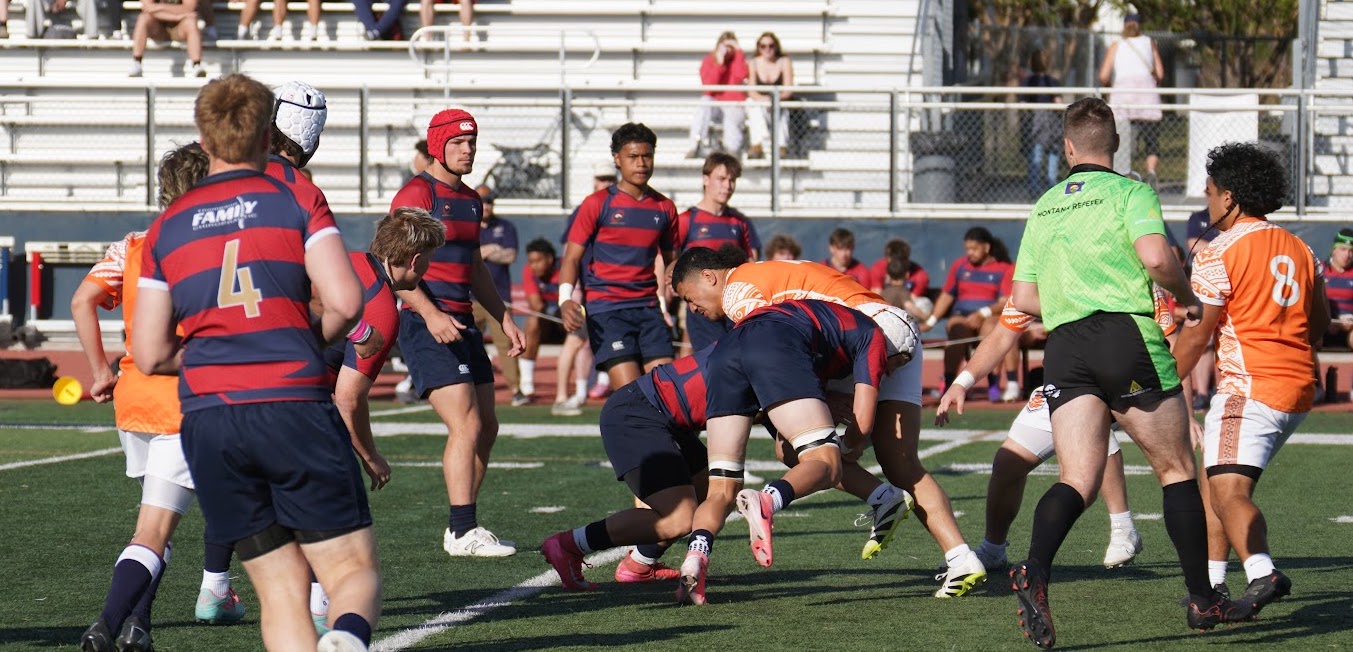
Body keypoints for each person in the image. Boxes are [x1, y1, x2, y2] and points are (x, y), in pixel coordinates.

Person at [132, 73, 378, 652]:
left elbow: (150, 353)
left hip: (211, 418)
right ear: (270, 132)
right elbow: (345, 302)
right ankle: (345, 637)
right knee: (351, 571)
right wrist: (295, 338)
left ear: (203, 134)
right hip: (289, 397)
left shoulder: (168, 225)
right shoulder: (295, 195)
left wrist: (220, 353)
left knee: (279, 589)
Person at [1006, 97, 1241, 649]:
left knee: (1076, 481)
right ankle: (1204, 601)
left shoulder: (1042, 206)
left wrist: (1073, 303)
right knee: (1178, 468)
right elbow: (1158, 259)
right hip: (1124, 336)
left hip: (1064, 348)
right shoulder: (1131, 191)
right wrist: (1186, 299)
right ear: (1115, 145)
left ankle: (1035, 567)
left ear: (1067, 147)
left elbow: (1023, 298)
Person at [674, 252, 989, 598]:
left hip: (862, 334)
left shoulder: (737, 292)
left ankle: (864, 497)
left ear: (709, 276)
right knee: (900, 462)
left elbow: (772, 353)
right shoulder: (761, 273)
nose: (692, 308)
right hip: (889, 325)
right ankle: (961, 558)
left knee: (794, 448)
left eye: (689, 297)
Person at [74, 143, 246, 652]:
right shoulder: (215, 247)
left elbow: (83, 298)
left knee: (156, 524)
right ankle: (105, 625)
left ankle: (137, 627)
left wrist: (100, 369)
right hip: (185, 403)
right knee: (152, 530)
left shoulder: (131, 244)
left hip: (133, 405)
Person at [1172, 142, 1329, 619]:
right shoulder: (1302, 248)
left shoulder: (1220, 251)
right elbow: (1318, 325)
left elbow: (1197, 337)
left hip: (1250, 387)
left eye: (1211, 191)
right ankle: (1213, 586)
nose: (1207, 200)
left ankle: (1262, 572)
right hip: (1298, 388)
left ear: (1231, 197)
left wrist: (1156, 384)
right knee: (1216, 479)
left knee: (1228, 492)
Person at [675, 299, 912, 605]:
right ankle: (767, 499)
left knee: (721, 487)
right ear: (896, 344)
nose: (892, 372)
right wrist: (846, 448)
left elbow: (784, 438)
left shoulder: (831, 327)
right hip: (774, 341)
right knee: (827, 464)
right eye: (899, 362)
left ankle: (696, 558)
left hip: (727, 348)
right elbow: (863, 423)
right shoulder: (875, 334)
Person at [934, 289, 1186, 573]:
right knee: (1008, 463)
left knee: (1170, 466)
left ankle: (1127, 529)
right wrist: (962, 382)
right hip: (1068, 377)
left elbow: (1173, 338)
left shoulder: (1125, 269)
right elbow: (1004, 332)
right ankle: (994, 548)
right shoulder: (1045, 274)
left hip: (1129, 372)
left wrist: (1182, 401)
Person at [393, 108, 526, 558]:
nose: (467, 150)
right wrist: (430, 314)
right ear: (437, 146)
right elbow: (394, 268)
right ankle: (463, 528)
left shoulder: (471, 200)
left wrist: (504, 318)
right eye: (457, 143)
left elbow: (474, 267)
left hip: (464, 322)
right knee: (466, 422)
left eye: (471, 142)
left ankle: (461, 525)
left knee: (486, 426)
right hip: (425, 321)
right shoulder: (415, 193)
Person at [312, 206, 445, 631]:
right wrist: (371, 456)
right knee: (338, 506)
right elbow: (347, 401)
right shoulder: (383, 309)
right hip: (297, 402)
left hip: (242, 386)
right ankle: (320, 604)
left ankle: (216, 584)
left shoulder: (346, 260)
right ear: (413, 260)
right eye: (427, 261)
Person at [559, 122, 678, 395]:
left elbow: (673, 260)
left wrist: (682, 283)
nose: (641, 163)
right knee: (635, 397)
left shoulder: (665, 207)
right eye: (633, 157)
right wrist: (565, 299)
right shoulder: (597, 203)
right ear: (617, 159)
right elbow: (571, 258)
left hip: (649, 312)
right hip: (607, 311)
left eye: (647, 156)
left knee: (669, 394)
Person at [919, 227, 1018, 403]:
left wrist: (982, 313)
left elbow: (1004, 301)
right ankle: (950, 382)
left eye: (974, 248)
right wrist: (930, 322)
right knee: (956, 328)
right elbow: (947, 295)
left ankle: (993, 383)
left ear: (986, 248)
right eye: (967, 249)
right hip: (962, 315)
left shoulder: (1004, 268)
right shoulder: (960, 266)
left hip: (989, 316)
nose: (970, 253)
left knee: (991, 328)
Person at [676, 152, 760, 353]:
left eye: (732, 180)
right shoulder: (687, 220)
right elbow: (668, 260)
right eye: (721, 179)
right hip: (702, 307)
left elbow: (752, 261)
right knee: (710, 361)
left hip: (734, 306)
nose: (727, 186)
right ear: (705, 179)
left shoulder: (739, 222)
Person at [519, 238, 588, 417]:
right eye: (531, 261)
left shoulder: (566, 268)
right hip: (548, 323)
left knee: (579, 327)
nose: (533, 266)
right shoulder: (529, 271)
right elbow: (536, 306)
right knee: (532, 322)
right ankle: (526, 384)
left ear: (550, 259)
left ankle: (584, 389)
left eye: (538, 261)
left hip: (571, 320)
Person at [470, 185, 525, 405]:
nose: (487, 205)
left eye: (490, 201)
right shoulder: (469, 225)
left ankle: (516, 388)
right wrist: (491, 249)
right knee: (465, 342)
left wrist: (487, 251)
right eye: (483, 201)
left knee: (506, 344)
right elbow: (469, 257)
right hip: (470, 297)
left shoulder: (506, 226)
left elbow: (510, 256)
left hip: (498, 297)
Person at [1098, 12, 1164, 188]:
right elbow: (1160, 73)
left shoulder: (1116, 45)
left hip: (1122, 96)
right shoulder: (1149, 43)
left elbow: (1103, 75)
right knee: (1151, 138)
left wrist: (1111, 85)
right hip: (1147, 97)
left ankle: (1122, 173)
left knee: (1121, 137)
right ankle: (1151, 172)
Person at [686, 31, 748, 159]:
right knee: (704, 102)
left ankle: (732, 150)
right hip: (715, 103)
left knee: (733, 109)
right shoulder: (709, 61)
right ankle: (695, 145)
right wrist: (719, 63)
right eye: (725, 46)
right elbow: (709, 87)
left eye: (731, 47)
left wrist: (738, 54)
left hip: (732, 102)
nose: (727, 50)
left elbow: (739, 77)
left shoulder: (739, 60)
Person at [1021, 49, 1063, 198]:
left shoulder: (1027, 82)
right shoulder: (1053, 82)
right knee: (1053, 154)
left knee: (1036, 155)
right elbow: (1058, 103)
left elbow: (1023, 103)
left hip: (1036, 123)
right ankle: (1052, 188)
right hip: (1052, 122)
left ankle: (1034, 188)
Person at [745, 31, 793, 160]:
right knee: (751, 103)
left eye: (771, 46)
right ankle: (759, 144)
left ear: (776, 46)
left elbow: (788, 90)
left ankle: (781, 146)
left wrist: (775, 99)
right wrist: (765, 100)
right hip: (761, 103)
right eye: (763, 46)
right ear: (758, 47)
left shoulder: (784, 61)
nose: (767, 49)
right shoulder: (753, 63)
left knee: (783, 108)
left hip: (780, 101)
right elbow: (751, 91)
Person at [128, 0, 205, 78]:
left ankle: (196, 64)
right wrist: (176, 16)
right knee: (143, 18)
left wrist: (158, 7)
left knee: (191, 22)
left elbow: (189, 8)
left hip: (180, 26)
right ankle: (137, 62)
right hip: (158, 25)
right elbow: (147, 8)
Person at [1323, 229, 1353, 353]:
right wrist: (1323, 322)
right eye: (1343, 249)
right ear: (1333, 250)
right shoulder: (1319, 270)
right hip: (1323, 328)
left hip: (1350, 330)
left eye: (1351, 250)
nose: (1347, 255)